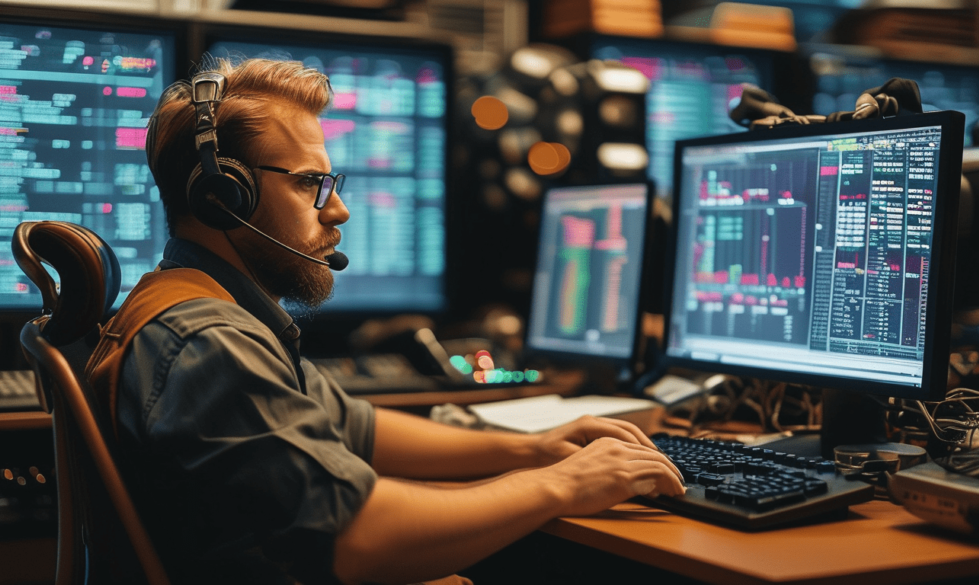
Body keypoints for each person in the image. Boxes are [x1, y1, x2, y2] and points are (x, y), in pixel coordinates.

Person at [106, 57, 684, 585]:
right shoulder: (210, 345)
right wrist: (563, 484)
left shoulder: (192, 305)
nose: (338, 209)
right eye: (310, 183)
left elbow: (356, 426)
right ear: (224, 197)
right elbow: (357, 539)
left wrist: (532, 449)